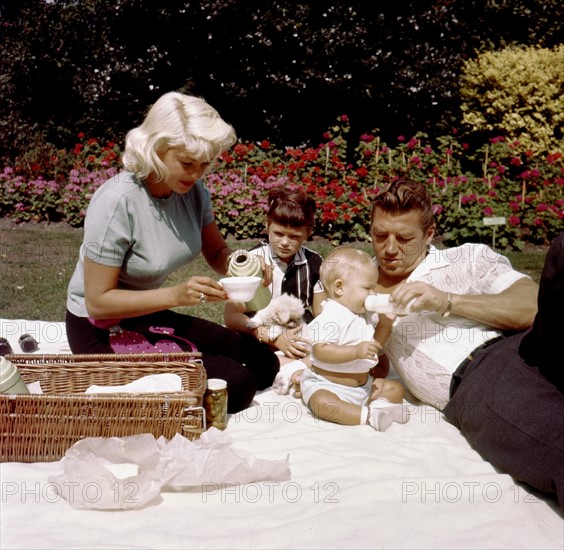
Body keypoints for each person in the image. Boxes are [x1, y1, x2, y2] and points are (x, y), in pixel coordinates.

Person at [65, 91, 280, 414]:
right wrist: (177, 295)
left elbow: (218, 252)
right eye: (187, 163)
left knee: (264, 362)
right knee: (237, 385)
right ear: (154, 148)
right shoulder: (117, 202)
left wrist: (246, 263)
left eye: (205, 164)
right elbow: (97, 300)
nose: (195, 174)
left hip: (145, 313)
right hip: (97, 326)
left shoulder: (193, 191)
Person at [366, 178, 564, 511]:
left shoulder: (467, 258)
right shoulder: (361, 285)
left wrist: (446, 300)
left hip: (531, 341)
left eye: (404, 238)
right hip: (481, 376)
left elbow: (532, 306)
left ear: (429, 234)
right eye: (379, 235)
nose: (388, 249)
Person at [300, 246, 409, 431]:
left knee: (395, 389)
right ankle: (368, 416)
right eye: (368, 288)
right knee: (322, 403)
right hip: (329, 385)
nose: (372, 294)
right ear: (339, 287)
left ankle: (379, 407)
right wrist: (355, 351)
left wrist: (385, 324)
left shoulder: (361, 314)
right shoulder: (331, 315)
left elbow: (374, 346)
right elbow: (321, 351)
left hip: (363, 386)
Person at [223, 185, 324, 362]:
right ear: (267, 226)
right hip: (256, 334)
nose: (285, 242)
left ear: (308, 233)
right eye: (278, 233)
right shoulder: (251, 261)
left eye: (294, 236)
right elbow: (231, 316)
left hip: (296, 332)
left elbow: (322, 314)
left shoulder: (314, 263)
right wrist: (273, 338)